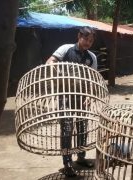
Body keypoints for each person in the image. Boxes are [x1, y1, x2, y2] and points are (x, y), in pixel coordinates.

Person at [46, 26, 97, 177]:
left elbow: (92, 79)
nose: (88, 43)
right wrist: (60, 74)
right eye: (86, 39)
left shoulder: (91, 57)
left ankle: (81, 158)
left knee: (82, 128)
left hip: (82, 98)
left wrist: (89, 95)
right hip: (66, 97)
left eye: (91, 41)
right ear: (79, 36)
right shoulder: (66, 49)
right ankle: (67, 163)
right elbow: (50, 62)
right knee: (67, 130)